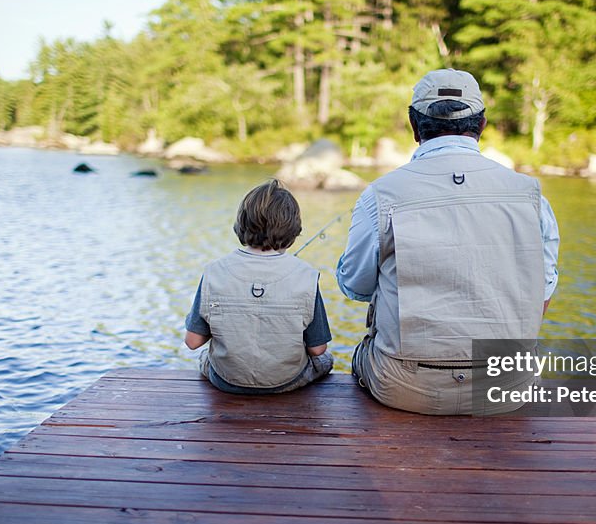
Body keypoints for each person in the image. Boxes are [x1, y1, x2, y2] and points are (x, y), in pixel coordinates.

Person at [336, 69, 559, 415]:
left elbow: (355, 286)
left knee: (363, 350)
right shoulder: (531, 196)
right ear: (481, 125)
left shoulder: (380, 194)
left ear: (414, 126)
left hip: (405, 388)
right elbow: (541, 296)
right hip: (507, 386)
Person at [184, 179, 334, 393]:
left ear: (241, 222)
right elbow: (318, 349)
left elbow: (192, 341)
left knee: (204, 357)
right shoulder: (307, 275)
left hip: (227, 380)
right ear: (293, 229)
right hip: (286, 381)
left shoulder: (213, 271)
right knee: (325, 361)